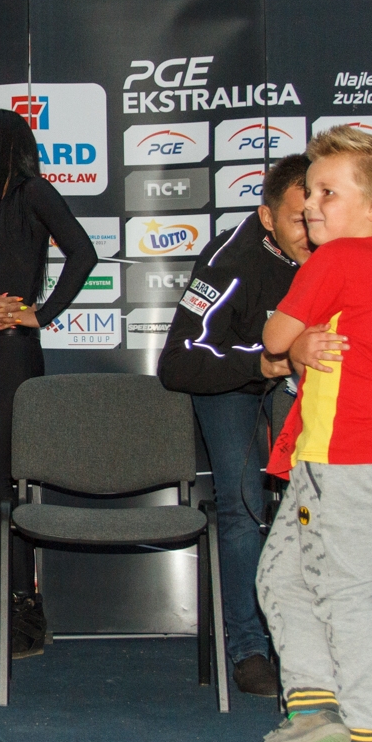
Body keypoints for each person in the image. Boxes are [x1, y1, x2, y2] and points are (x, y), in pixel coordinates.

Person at [239, 126, 372, 742]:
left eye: (326, 193)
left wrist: (294, 341)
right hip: (350, 458)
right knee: (281, 579)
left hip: (347, 458)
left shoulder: (339, 258)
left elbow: (274, 335)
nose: (311, 205)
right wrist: (302, 346)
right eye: (309, 192)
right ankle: (315, 712)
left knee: (342, 595)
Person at [0, 108, 100, 661]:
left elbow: (83, 253)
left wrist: (41, 314)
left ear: (7, 139)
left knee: (1, 484)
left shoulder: (33, 194)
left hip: (10, 353)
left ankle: (22, 615)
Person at [157, 153, 312, 697]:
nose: (312, 229)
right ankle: (248, 649)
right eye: (297, 219)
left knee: (322, 503)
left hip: (304, 385)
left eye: (317, 214)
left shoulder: (336, 248)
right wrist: (260, 363)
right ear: (267, 217)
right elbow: (177, 363)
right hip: (233, 383)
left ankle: (312, 643)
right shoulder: (232, 259)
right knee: (244, 505)